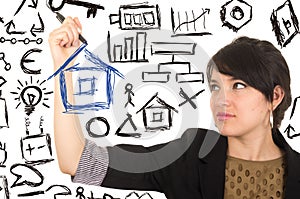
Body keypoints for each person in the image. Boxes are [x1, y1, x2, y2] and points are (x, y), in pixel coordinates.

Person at [48, 17, 300, 199]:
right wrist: (65, 69)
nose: (221, 99)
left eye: (238, 85)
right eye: (214, 87)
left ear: (275, 96)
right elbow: (77, 162)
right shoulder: (188, 155)